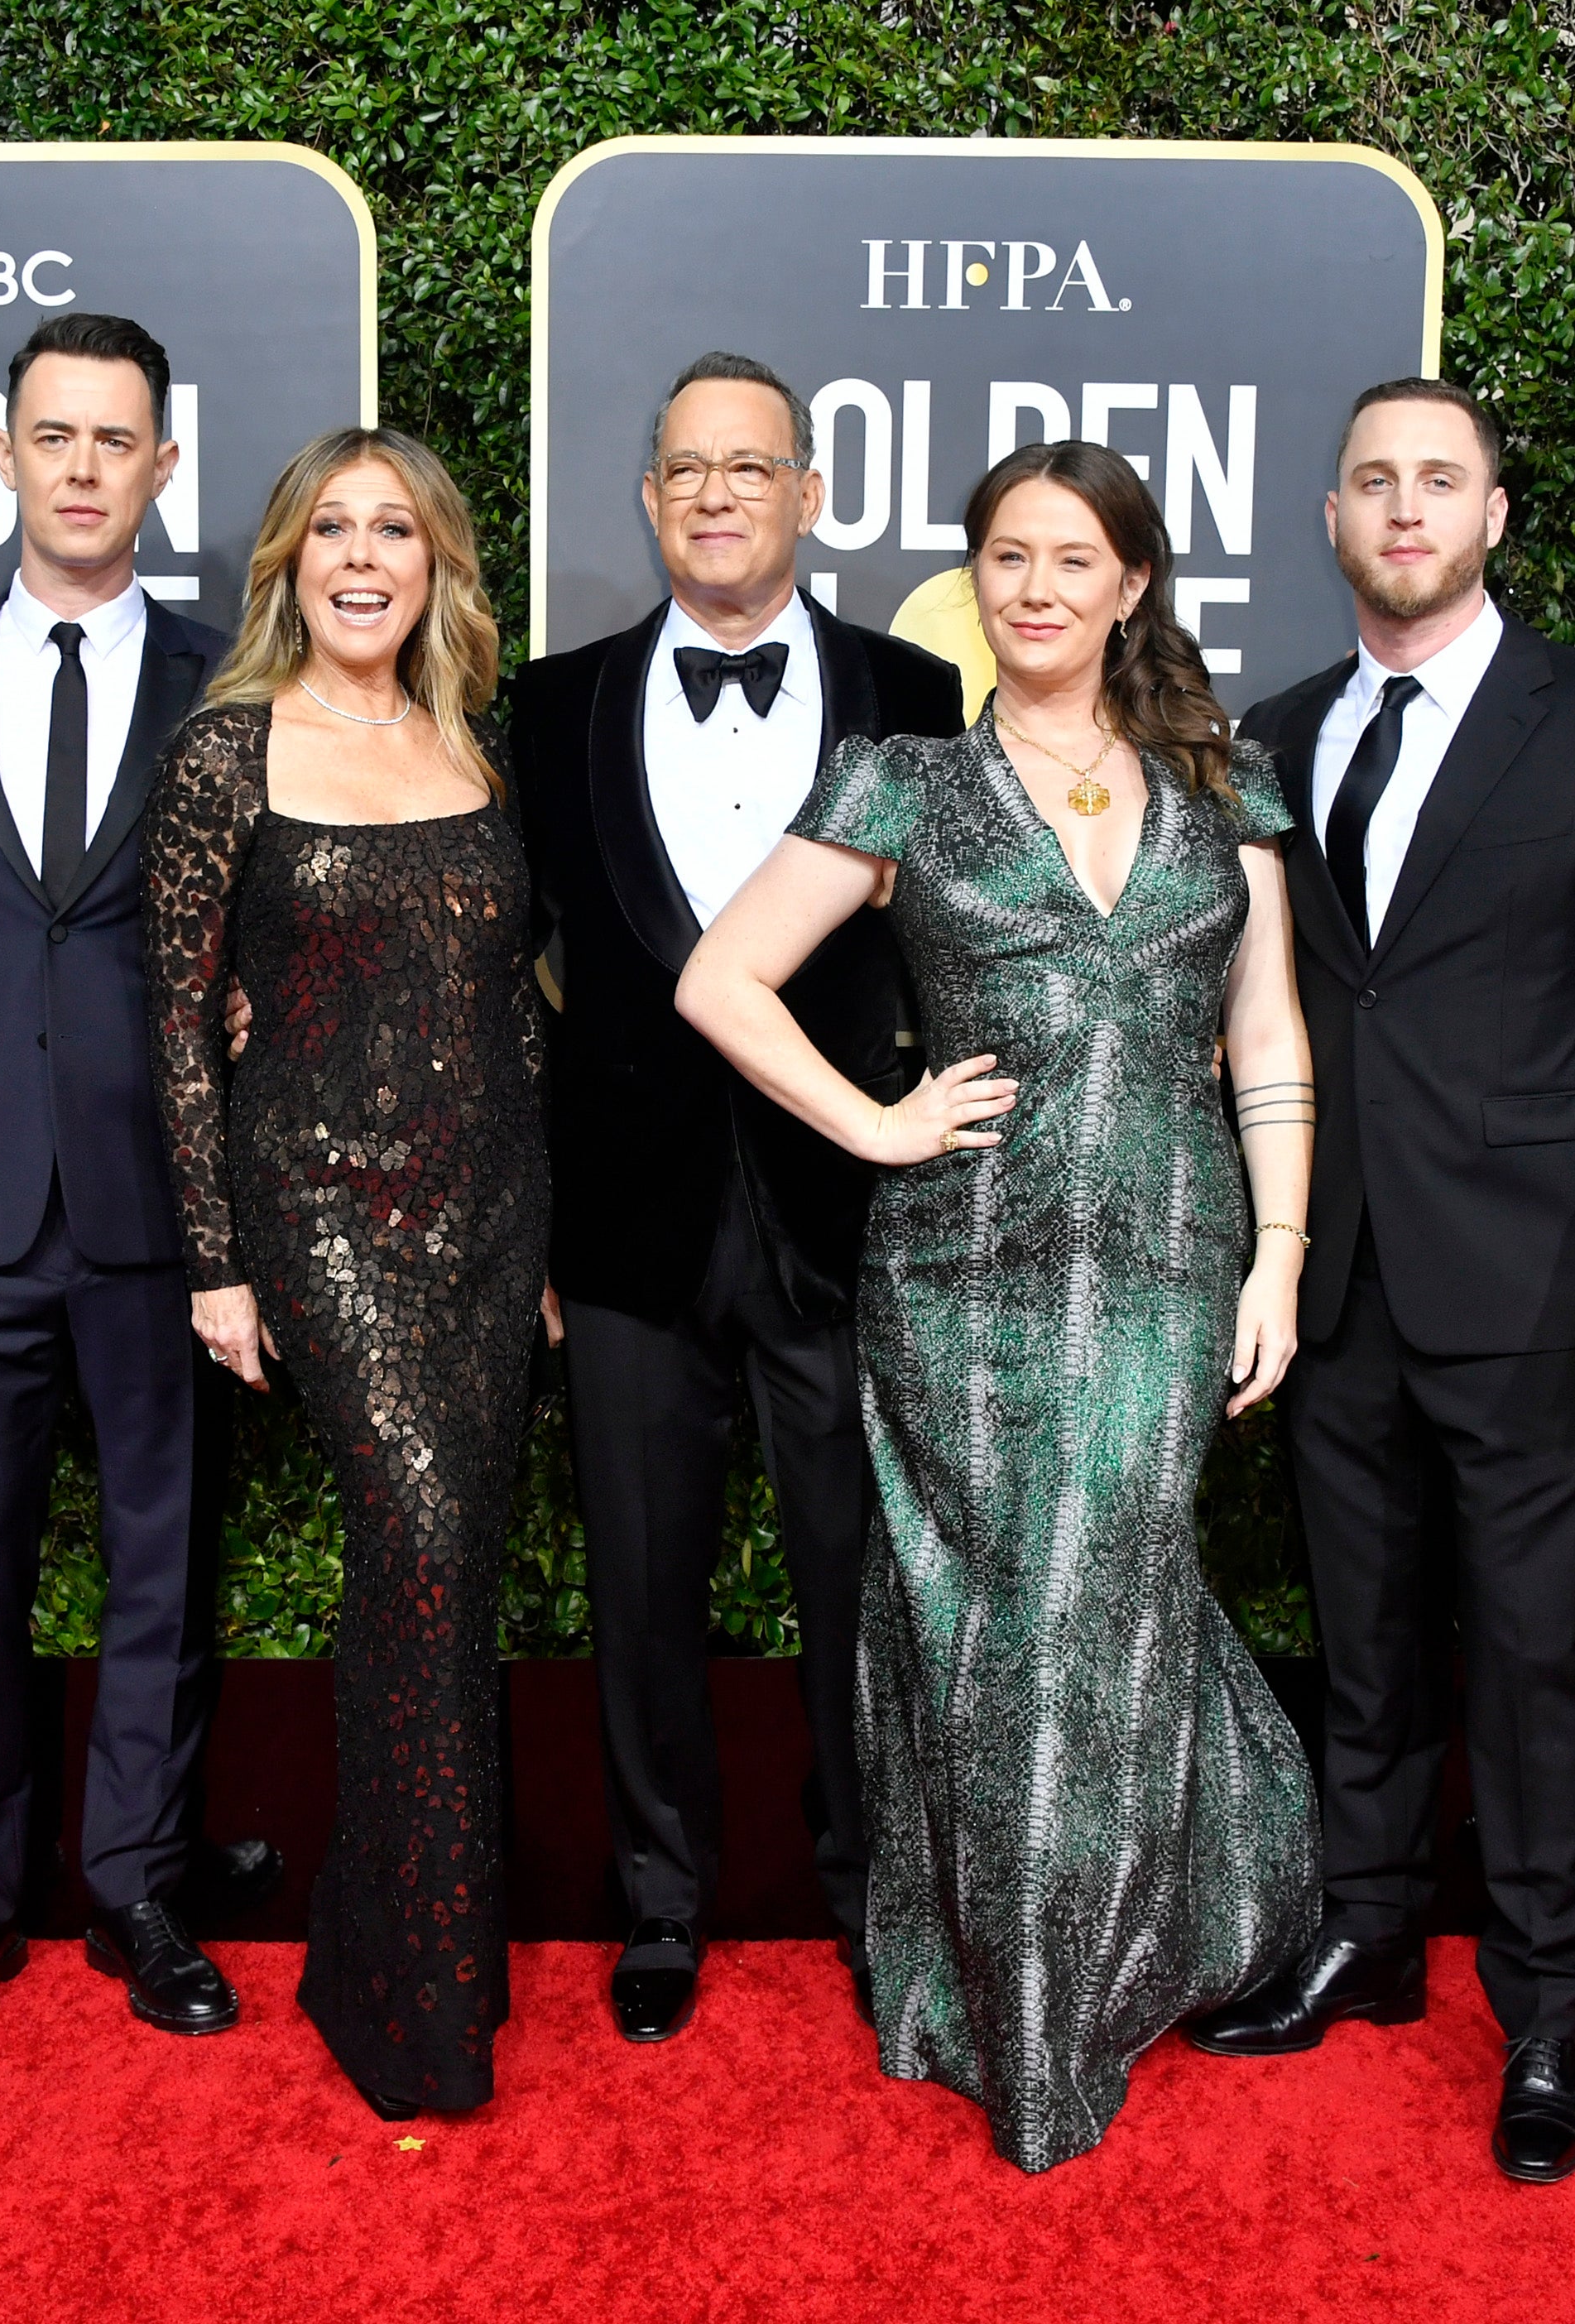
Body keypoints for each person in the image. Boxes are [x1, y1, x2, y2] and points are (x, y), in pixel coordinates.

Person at [679, 439, 1323, 2174]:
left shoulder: (1225, 786)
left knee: (1100, 1601)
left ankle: (1095, 1974)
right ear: (975, 580)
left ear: (1131, 586)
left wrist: (1277, 1254)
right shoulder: (900, 783)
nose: (1036, 589)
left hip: (1170, 1260)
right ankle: (1012, 2008)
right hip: (960, 1271)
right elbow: (719, 977)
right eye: (1008, 557)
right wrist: (873, 1121)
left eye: (1072, 559)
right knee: (990, 1624)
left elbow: (1264, 1031)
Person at [1189, 380, 1575, 2189]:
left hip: (1539, 1282)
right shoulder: (1272, 734)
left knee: (1531, 1663)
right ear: (1331, 518)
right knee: (1361, 1643)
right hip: (1332, 1271)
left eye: (1440, 481)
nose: (1405, 509)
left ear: (1496, 516)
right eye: (1374, 481)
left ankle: (1539, 2006)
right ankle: (1366, 1933)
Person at [505, 352, 963, 2043]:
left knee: (860, 1585)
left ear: (809, 496)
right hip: (624, 1227)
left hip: (846, 1218)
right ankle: (658, 1901)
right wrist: (528, 1222)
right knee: (640, 1585)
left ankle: (870, 1894)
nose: (716, 495)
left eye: (749, 467)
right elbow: (502, 980)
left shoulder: (917, 694)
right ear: (647, 499)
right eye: (686, 469)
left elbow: (961, 952)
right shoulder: (550, 706)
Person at [0, 313, 275, 2052]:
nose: (82, 467)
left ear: (162, 466)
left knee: (163, 1564)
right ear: (2, 455)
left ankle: (140, 1893)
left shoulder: (226, 685)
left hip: (164, 1199)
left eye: (114, 439)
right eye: (53, 435)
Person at [141, 425, 550, 2121]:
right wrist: (216, 1263)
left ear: (435, 563)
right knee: (423, 1542)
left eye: (395, 530)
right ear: (288, 563)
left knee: (439, 1574)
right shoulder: (226, 751)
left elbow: (512, 1010)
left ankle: (396, 1942)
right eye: (332, 529)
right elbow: (178, 1020)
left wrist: (543, 1242)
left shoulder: (472, 742)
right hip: (316, 1203)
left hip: (491, 1213)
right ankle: (409, 1991)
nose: (363, 557)